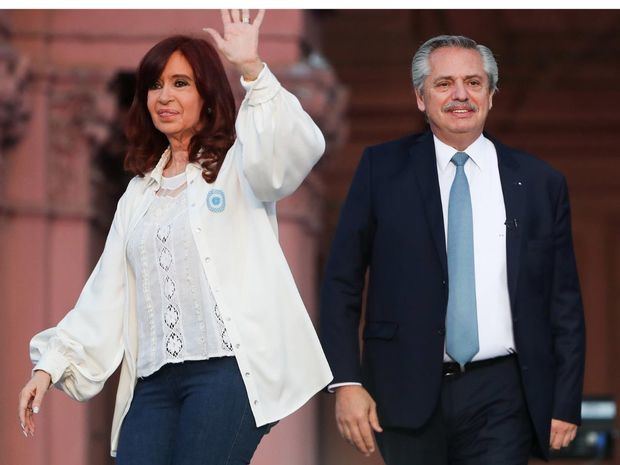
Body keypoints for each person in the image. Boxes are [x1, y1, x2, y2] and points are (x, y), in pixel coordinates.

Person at [18, 9, 332, 464]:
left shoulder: (240, 163)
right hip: (152, 383)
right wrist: (50, 366)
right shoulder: (138, 194)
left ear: (206, 94)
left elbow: (295, 149)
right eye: (155, 84)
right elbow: (106, 293)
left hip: (228, 374)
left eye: (180, 83)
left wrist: (251, 69)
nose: (164, 96)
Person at [320, 34, 585, 465]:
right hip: (403, 389)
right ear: (421, 98)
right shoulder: (381, 170)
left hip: (504, 391)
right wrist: (346, 383)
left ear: (491, 96)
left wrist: (565, 399)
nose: (460, 95)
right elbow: (341, 282)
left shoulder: (539, 183)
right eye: (444, 84)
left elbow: (564, 302)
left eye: (473, 83)